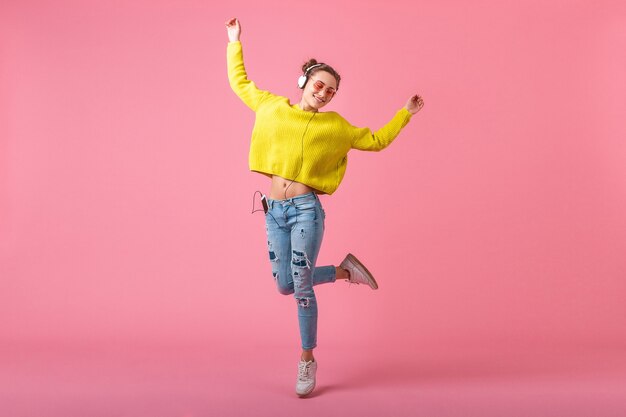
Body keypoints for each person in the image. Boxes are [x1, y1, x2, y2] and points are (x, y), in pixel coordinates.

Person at [225, 17, 424, 397]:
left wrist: (404, 114)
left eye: (331, 91)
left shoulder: (336, 127)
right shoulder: (270, 107)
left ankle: (306, 360)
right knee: (285, 283)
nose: (325, 93)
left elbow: (377, 140)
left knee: (300, 286)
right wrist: (235, 41)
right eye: (319, 85)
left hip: (304, 211)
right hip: (273, 211)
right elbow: (240, 82)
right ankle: (345, 272)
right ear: (304, 82)